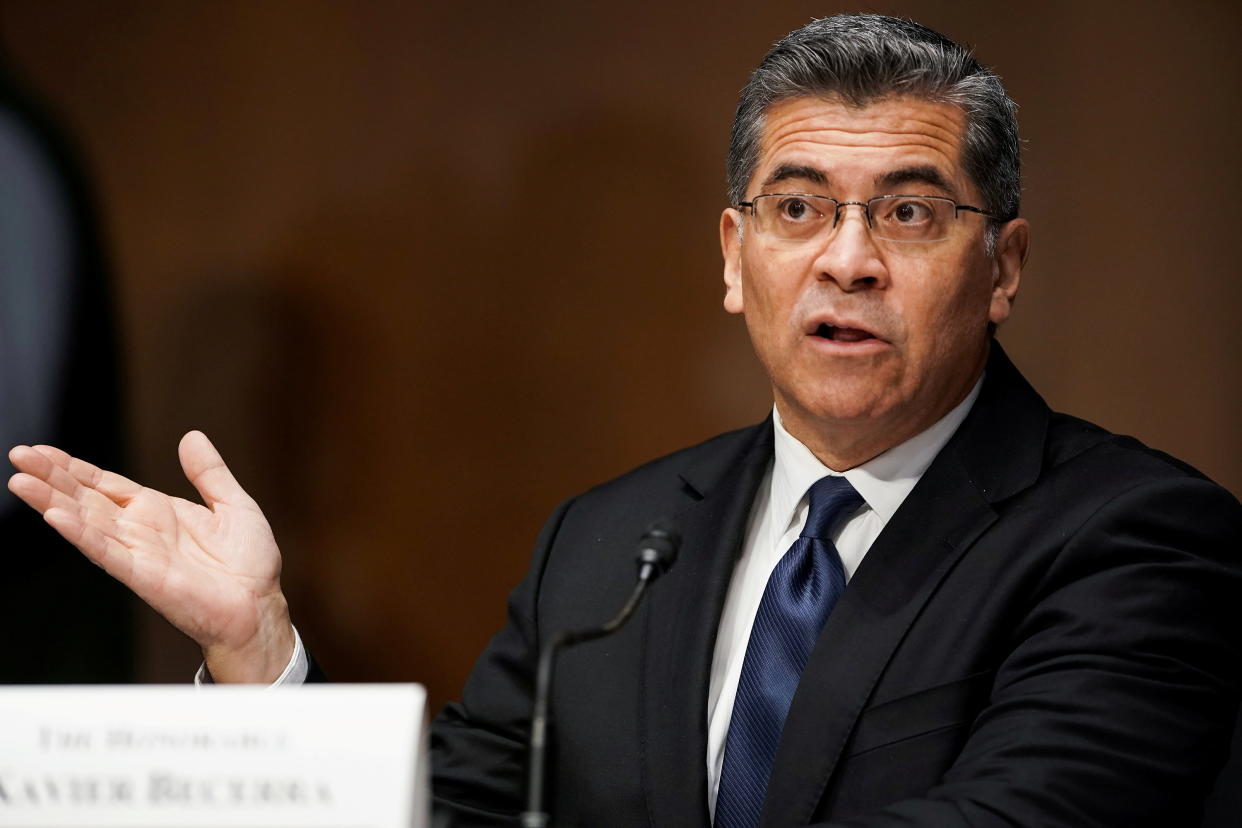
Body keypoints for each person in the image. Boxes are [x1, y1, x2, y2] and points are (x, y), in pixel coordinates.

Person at [8, 13, 1241, 827]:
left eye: (910, 215)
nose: (847, 261)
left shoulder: (1141, 541)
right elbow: (467, 816)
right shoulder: (612, 547)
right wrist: (263, 654)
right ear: (733, 254)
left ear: (1006, 266)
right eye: (800, 208)